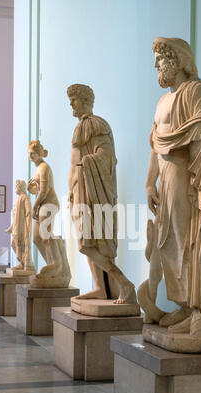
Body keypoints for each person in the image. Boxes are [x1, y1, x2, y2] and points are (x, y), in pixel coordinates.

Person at [140, 37, 201, 351]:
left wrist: (198, 148)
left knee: (188, 240)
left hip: (186, 177)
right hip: (165, 181)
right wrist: (149, 183)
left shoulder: (197, 91)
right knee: (169, 244)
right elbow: (155, 145)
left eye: (160, 59)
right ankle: (185, 306)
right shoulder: (163, 102)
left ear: (178, 60)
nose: (156, 66)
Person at [67, 84, 137, 305]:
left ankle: (124, 283)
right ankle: (99, 287)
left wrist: (85, 165)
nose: (71, 104)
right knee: (86, 240)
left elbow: (106, 157)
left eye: (74, 100)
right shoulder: (79, 127)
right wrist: (71, 189)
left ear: (86, 100)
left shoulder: (96, 124)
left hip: (93, 191)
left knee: (90, 243)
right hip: (80, 191)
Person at [27, 140, 71, 287]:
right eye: (29, 154)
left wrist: (35, 206)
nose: (30, 156)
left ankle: (57, 265)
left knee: (46, 235)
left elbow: (45, 191)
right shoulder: (38, 168)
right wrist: (31, 189)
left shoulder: (44, 167)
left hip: (48, 203)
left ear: (40, 153)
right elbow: (39, 190)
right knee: (36, 238)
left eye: (33, 154)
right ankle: (52, 266)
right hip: (42, 204)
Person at [5, 179, 35, 272]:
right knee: (14, 244)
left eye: (16, 186)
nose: (15, 188)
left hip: (22, 227)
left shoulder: (25, 197)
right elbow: (15, 216)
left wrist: (28, 226)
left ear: (21, 187)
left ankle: (26, 264)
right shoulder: (18, 199)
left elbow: (29, 212)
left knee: (22, 244)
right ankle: (22, 262)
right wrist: (11, 227)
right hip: (16, 227)